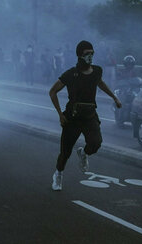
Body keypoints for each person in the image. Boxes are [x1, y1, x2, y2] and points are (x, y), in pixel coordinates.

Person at [48, 40, 121, 191]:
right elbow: (52, 91)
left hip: (89, 116)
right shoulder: (70, 74)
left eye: (92, 53)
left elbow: (100, 83)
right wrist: (60, 114)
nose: (90, 56)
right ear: (80, 55)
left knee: (96, 143)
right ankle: (58, 174)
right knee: (65, 152)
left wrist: (114, 97)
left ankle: (84, 152)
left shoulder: (97, 71)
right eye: (87, 53)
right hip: (72, 118)